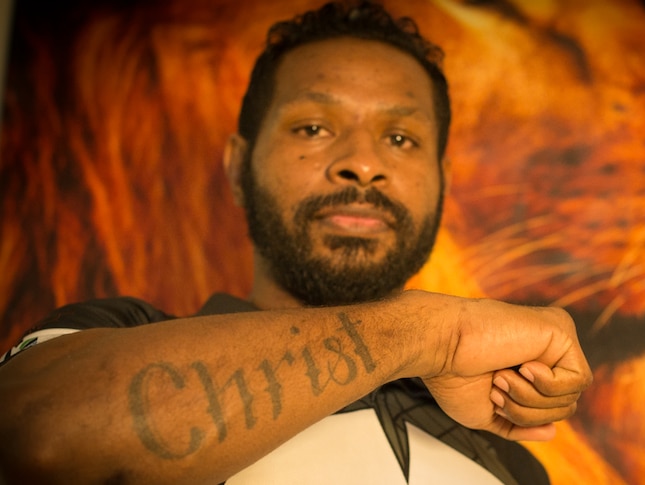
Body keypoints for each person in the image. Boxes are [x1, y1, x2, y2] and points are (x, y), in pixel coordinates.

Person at [0, 2, 592, 484]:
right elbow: (30, 434)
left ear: (443, 185)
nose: (362, 164)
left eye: (401, 137)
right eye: (313, 127)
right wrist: (435, 333)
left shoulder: (509, 459)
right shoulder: (115, 334)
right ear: (237, 169)